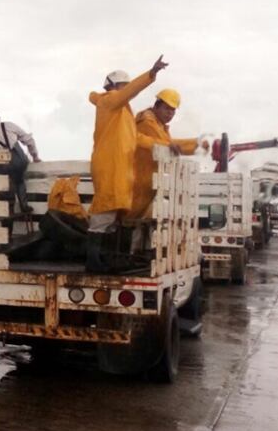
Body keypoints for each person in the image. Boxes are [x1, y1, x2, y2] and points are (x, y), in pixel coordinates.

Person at [86, 55, 168, 272]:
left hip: (118, 168)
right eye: (123, 85)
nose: (125, 90)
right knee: (104, 211)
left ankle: (102, 260)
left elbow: (139, 139)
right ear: (112, 86)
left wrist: (166, 147)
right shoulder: (109, 100)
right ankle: (93, 262)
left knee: (112, 214)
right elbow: (130, 92)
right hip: (110, 166)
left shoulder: (122, 114)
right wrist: (151, 74)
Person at [128, 89, 202, 220]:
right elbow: (168, 144)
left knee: (133, 222)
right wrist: (199, 145)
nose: (170, 113)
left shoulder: (158, 124)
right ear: (156, 106)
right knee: (129, 220)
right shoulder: (147, 122)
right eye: (167, 108)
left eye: (173, 110)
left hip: (145, 180)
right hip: (137, 180)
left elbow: (168, 144)